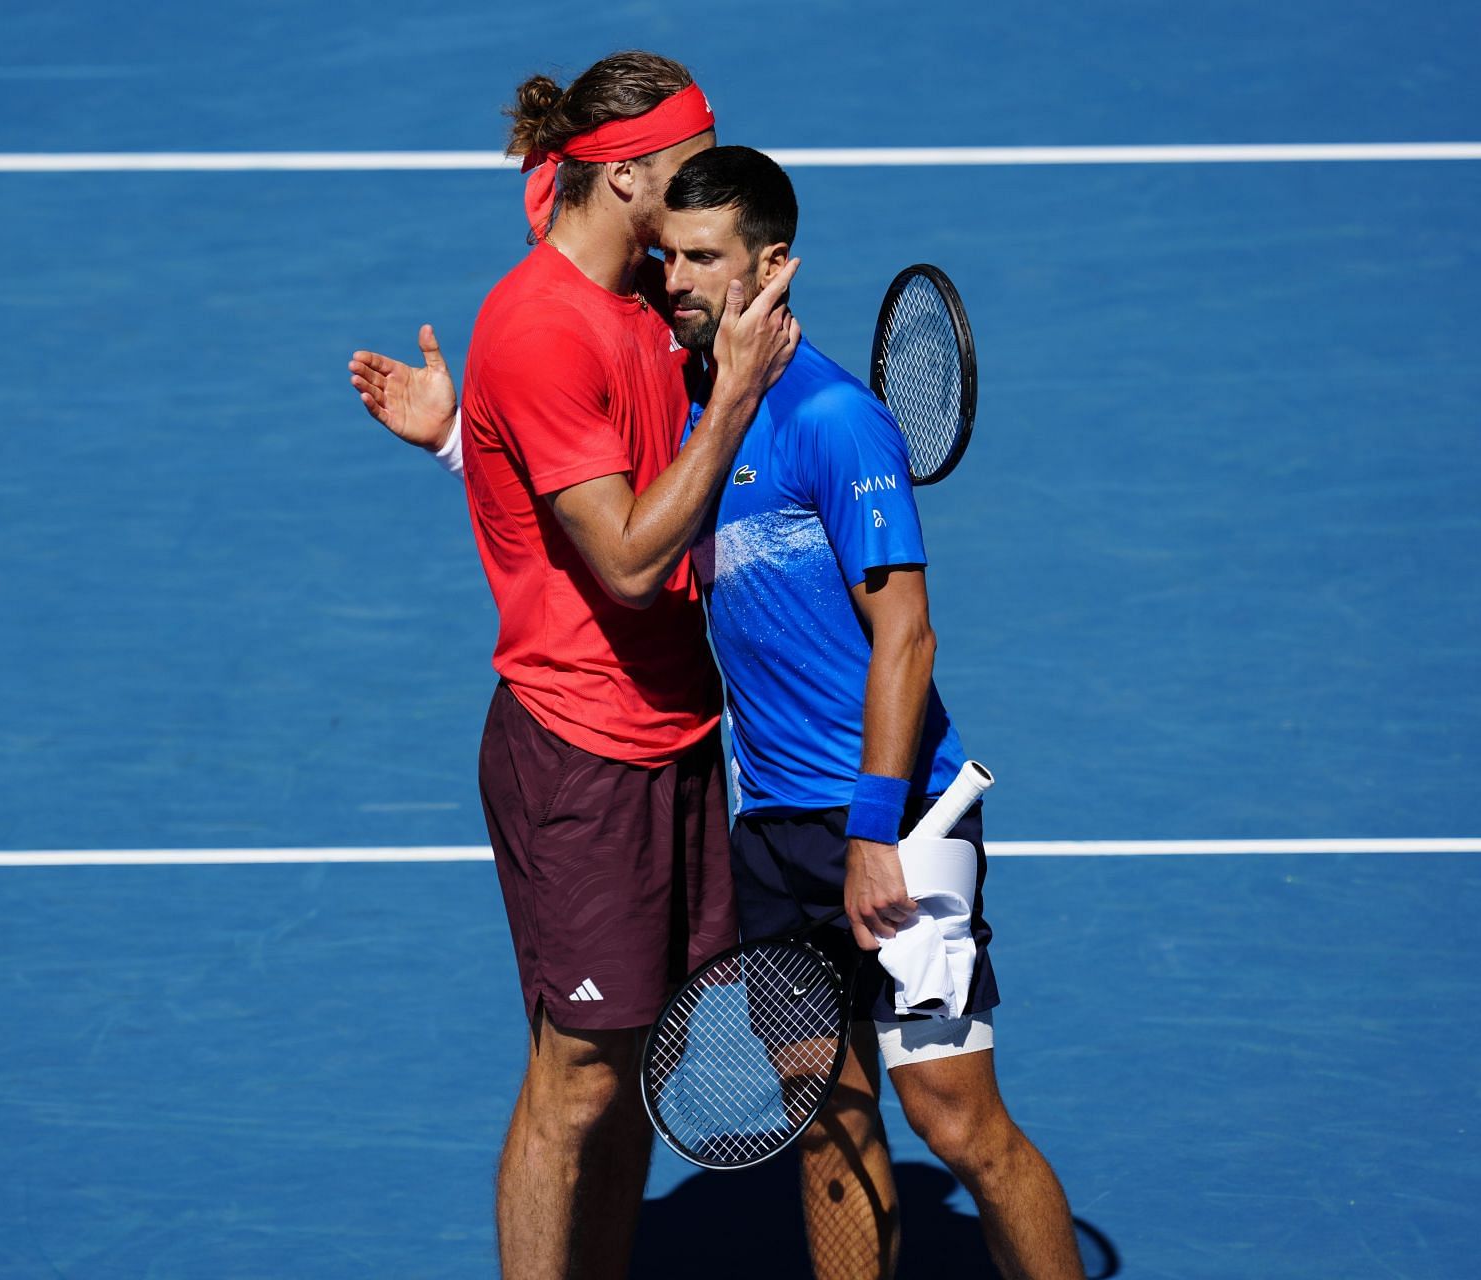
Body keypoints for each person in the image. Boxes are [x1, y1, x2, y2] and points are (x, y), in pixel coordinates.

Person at [350, 54, 801, 1280]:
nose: (707, 178)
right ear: (623, 176)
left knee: (637, 1057)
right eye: (687, 160)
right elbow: (630, 565)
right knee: (578, 1072)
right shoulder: (543, 326)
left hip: (679, 735)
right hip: (581, 755)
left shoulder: (647, 292)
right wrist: (736, 401)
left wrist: (460, 433)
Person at [661, 146, 1085, 1280]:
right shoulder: (702, 411)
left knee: (956, 1119)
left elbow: (909, 634)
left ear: (776, 263)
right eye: (670, 255)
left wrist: (870, 828)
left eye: (706, 257)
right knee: (829, 1127)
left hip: (893, 826)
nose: (678, 278)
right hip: (777, 832)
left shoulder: (836, 420)